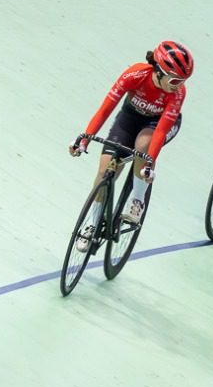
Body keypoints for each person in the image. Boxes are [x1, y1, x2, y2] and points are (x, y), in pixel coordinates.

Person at [70, 40, 192, 245]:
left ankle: (137, 199)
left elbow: (161, 130)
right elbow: (105, 109)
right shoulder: (135, 75)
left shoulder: (178, 93)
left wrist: (149, 163)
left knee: (142, 146)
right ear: (159, 72)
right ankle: (93, 223)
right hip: (130, 118)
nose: (179, 86)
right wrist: (85, 139)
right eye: (174, 80)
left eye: (183, 80)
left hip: (157, 124)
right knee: (104, 171)